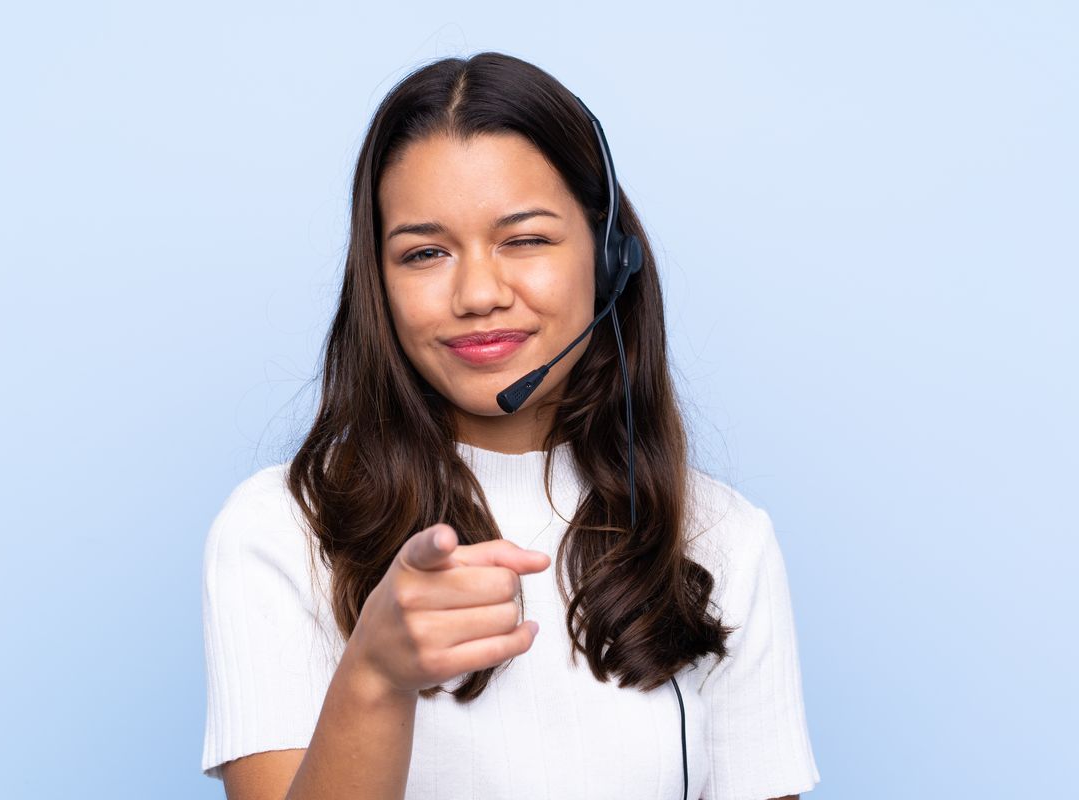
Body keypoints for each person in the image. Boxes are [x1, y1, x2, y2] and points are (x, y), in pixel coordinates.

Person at [200, 51, 820, 800]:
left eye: (525, 240)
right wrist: (375, 675)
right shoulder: (280, 530)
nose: (478, 293)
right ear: (380, 283)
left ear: (611, 258)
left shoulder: (723, 536)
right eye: (424, 252)